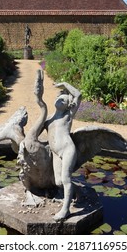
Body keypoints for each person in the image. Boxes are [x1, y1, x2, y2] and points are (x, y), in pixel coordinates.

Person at [44, 82, 82, 221]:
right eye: (59, 97)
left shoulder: (68, 116)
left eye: (64, 100)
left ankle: (65, 210)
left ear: (68, 105)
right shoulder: (48, 120)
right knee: (59, 182)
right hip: (56, 153)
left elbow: (78, 95)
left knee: (65, 178)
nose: (60, 100)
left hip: (67, 150)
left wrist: (65, 84)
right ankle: (78, 192)